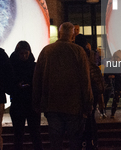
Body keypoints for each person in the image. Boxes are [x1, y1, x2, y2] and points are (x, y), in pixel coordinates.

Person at [33, 22, 93, 150]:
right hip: (74, 105)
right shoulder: (78, 51)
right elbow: (85, 80)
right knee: (74, 142)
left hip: (52, 104)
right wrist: (88, 104)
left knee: (55, 142)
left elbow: (37, 78)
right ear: (73, 36)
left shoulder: (47, 51)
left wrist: (37, 102)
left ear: (60, 34)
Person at [9, 41, 43, 150]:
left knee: (33, 133)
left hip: (25, 103)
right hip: (23, 103)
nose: (24, 56)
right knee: (21, 134)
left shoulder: (13, 66)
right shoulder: (33, 66)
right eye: (22, 53)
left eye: (26, 53)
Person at [75, 34, 104, 149]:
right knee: (91, 116)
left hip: (81, 88)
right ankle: (92, 141)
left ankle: (84, 141)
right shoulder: (92, 54)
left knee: (81, 118)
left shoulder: (76, 53)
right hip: (93, 88)